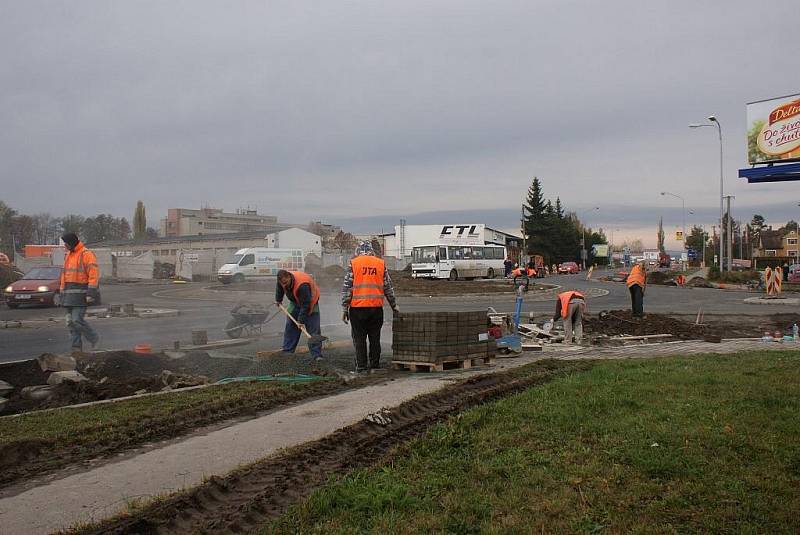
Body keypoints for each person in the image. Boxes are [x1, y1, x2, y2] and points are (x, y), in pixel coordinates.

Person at [342, 241, 398, 372]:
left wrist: (345, 308)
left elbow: (347, 288)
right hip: (376, 309)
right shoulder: (380, 263)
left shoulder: (354, 263)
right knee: (375, 338)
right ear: (371, 251)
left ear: (358, 251)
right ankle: (374, 365)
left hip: (357, 309)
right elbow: (388, 287)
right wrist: (394, 305)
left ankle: (361, 366)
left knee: (359, 339)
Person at [60, 233, 100, 352]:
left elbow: (94, 276)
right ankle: (76, 348)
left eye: (66, 243)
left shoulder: (86, 254)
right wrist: (62, 295)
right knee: (70, 323)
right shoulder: (68, 255)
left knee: (76, 320)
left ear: (72, 243)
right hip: (68, 297)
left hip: (81, 296)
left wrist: (90, 294)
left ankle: (94, 338)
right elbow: (64, 276)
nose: (65, 246)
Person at [275, 269, 323, 360]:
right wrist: (278, 299)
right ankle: (288, 352)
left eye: (286, 283)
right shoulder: (281, 281)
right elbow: (279, 288)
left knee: (313, 330)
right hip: (295, 302)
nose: (284, 285)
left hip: (311, 302)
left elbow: (305, 306)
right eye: (282, 283)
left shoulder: (302, 285)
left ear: (289, 277)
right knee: (290, 326)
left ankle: (317, 355)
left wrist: (300, 321)